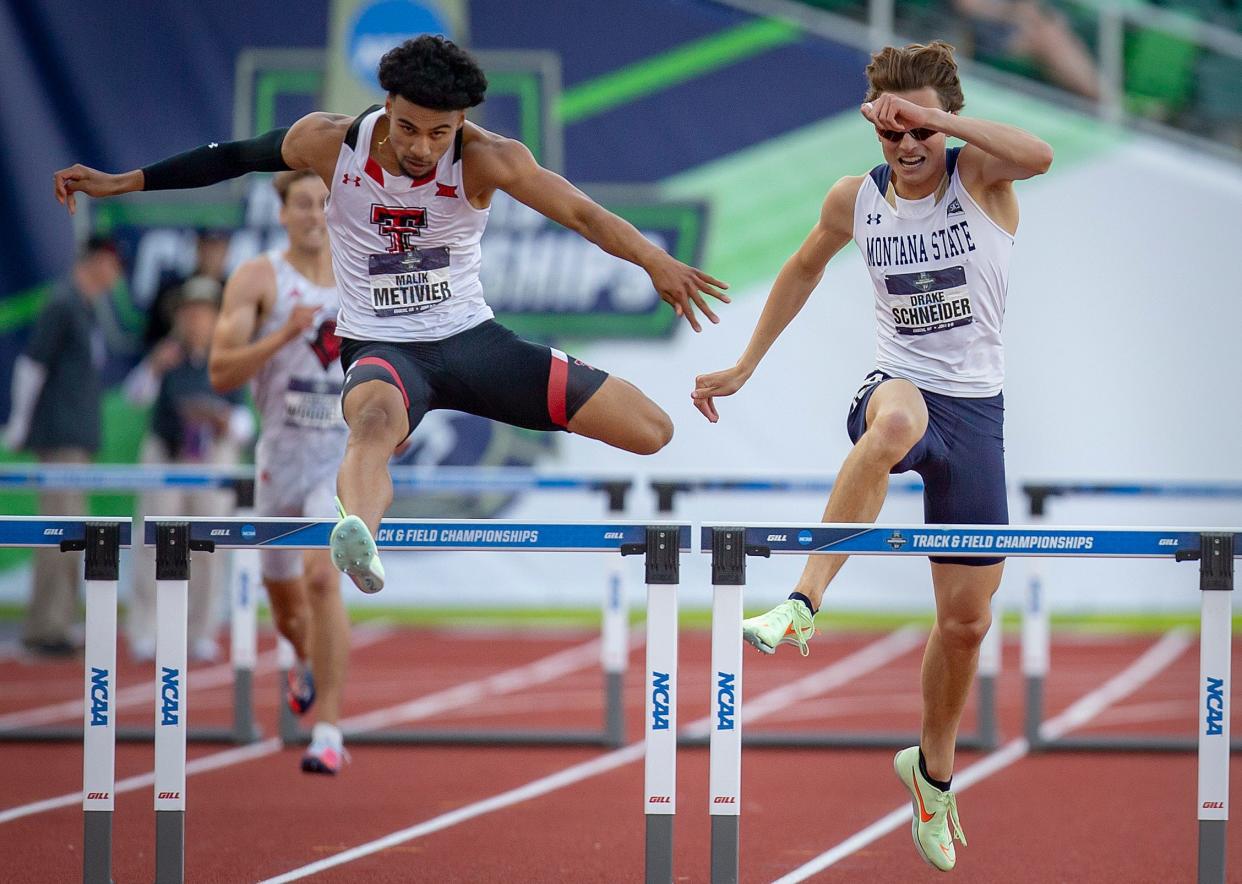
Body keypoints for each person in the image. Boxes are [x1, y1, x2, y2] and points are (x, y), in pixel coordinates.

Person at [53, 34, 729, 595]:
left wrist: (652, 261)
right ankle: (360, 541)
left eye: (440, 133)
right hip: (384, 348)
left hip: (472, 342)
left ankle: (364, 523)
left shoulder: (490, 159)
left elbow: (581, 212)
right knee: (373, 422)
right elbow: (231, 158)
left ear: (462, 123)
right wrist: (126, 182)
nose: (421, 148)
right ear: (386, 106)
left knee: (650, 431)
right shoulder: (328, 143)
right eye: (408, 128)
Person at [690, 41, 1051, 872]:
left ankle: (930, 773)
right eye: (892, 134)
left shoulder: (980, 178)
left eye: (919, 132)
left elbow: (1041, 153)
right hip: (900, 386)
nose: (907, 148)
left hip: (978, 416)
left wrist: (935, 115)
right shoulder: (856, 199)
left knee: (965, 623)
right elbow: (802, 267)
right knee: (890, 426)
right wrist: (745, 365)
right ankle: (803, 604)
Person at [208, 169, 352, 774]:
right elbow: (220, 371)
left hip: (336, 460)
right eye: (303, 204)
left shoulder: (361, 276)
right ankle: (303, 658)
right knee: (289, 609)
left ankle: (328, 731)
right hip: (278, 462)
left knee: (323, 579)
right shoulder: (259, 278)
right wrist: (282, 336)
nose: (315, 214)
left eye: (324, 203)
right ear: (283, 211)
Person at [124, 276, 253, 664]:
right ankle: (146, 629)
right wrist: (154, 367)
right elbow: (135, 397)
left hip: (212, 456)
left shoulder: (227, 355)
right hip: (167, 451)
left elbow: (246, 423)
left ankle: (201, 629)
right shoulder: (166, 352)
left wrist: (221, 419)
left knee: (209, 543)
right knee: (152, 541)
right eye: (190, 311)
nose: (196, 319)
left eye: (204, 312)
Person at [3, 236, 121, 657]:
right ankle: (44, 627)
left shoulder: (86, 308)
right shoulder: (63, 303)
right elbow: (31, 364)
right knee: (57, 534)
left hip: (76, 441)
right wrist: (18, 424)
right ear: (96, 261)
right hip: (59, 440)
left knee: (73, 535)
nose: (117, 274)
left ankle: (58, 621)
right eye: (113, 264)